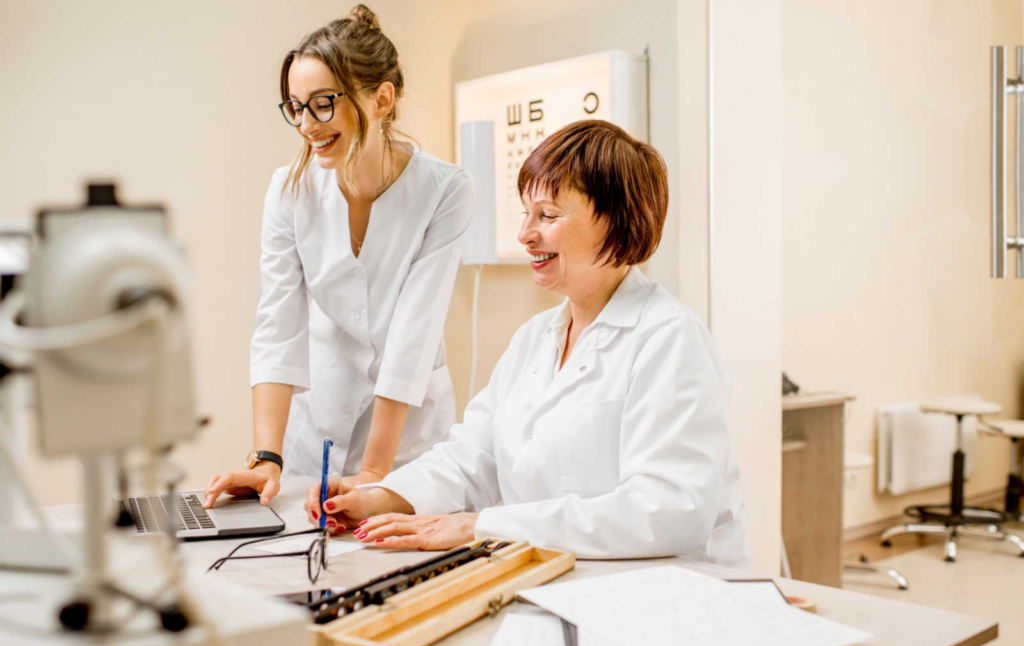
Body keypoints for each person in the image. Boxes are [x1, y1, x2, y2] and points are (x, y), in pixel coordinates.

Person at [304, 120, 749, 564]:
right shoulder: (534, 339)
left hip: (659, 599)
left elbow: (667, 511)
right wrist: (380, 496)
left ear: (616, 221)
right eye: (526, 213)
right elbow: (472, 456)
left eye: (548, 216)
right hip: (554, 581)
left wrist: (480, 526)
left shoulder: (670, 339)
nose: (525, 235)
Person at [204, 5, 474, 514]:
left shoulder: (445, 190)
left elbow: (413, 335)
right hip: (319, 427)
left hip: (408, 437)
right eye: (295, 106)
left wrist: (374, 472)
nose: (306, 124)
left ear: (381, 98)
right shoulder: (289, 191)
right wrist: (267, 457)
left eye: (323, 104)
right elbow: (278, 325)